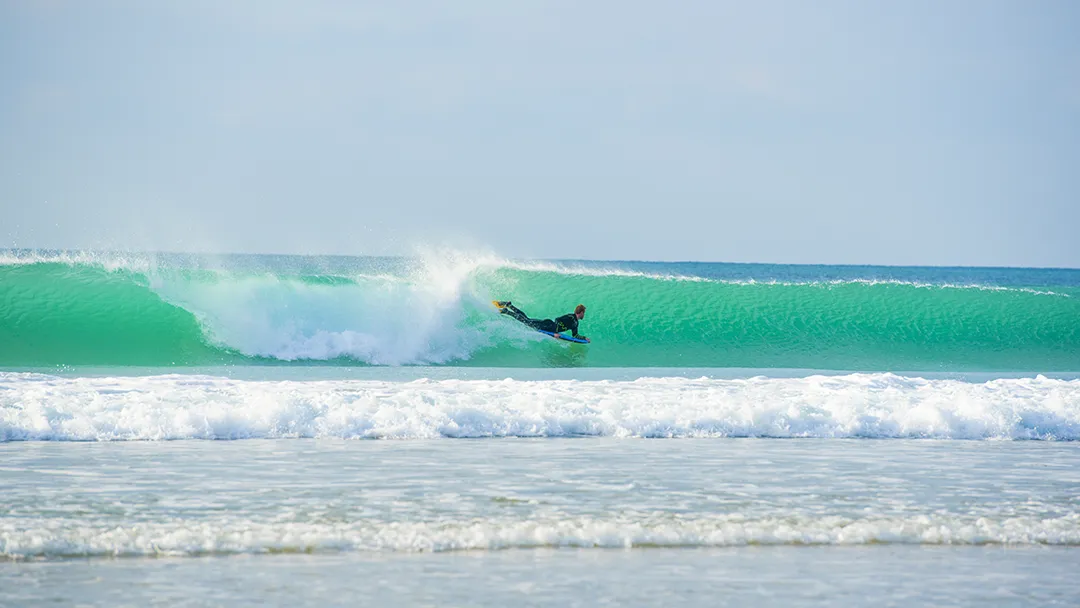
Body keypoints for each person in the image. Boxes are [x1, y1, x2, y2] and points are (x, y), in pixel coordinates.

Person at [498, 302, 588, 341]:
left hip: (549, 328)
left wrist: (584, 338)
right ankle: (507, 311)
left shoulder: (576, 323)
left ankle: (509, 306)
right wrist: (554, 332)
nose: (584, 315)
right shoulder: (571, 317)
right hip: (548, 325)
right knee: (526, 321)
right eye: (584, 312)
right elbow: (558, 319)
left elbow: (575, 335)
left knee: (526, 319)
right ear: (581, 312)